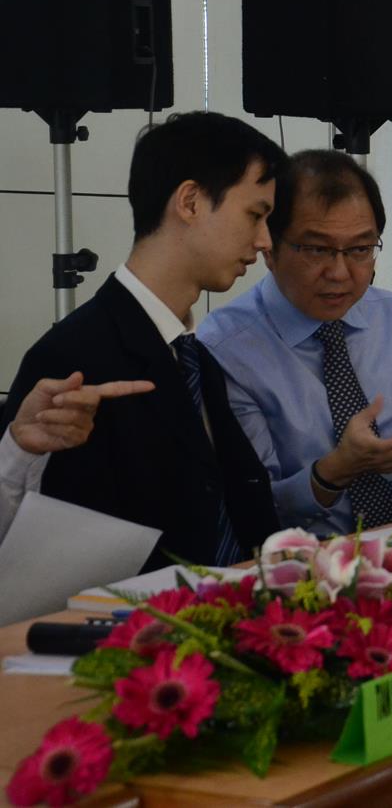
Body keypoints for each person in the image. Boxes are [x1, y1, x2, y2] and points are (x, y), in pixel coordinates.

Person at [0, 112, 287, 567]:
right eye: (255, 215)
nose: (265, 240)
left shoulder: (194, 356)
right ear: (190, 202)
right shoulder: (71, 356)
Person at [199, 150, 392, 536]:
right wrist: (337, 470)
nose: (340, 273)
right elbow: (248, 511)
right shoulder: (226, 348)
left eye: (360, 250)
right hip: (294, 562)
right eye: (317, 249)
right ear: (269, 248)